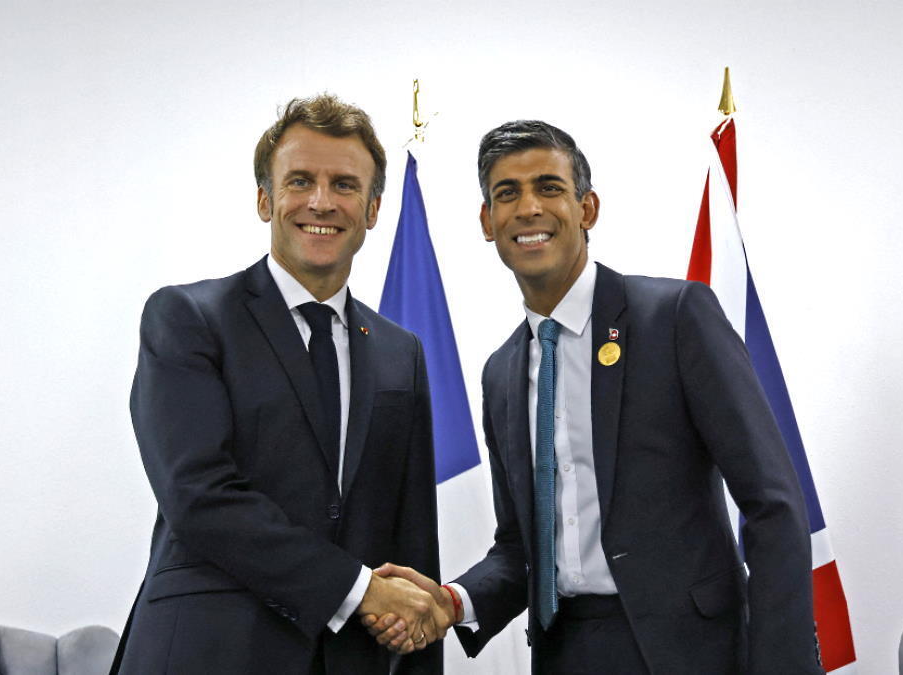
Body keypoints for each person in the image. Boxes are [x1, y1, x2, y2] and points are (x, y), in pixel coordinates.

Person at [365, 120, 823, 674]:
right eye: (507, 193)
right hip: (565, 653)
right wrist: (452, 602)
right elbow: (521, 550)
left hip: (690, 653)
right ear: (487, 221)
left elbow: (773, 505)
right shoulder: (500, 374)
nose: (529, 208)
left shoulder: (674, 318)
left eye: (549, 188)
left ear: (587, 208)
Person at [111, 94, 446, 675]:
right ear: (266, 199)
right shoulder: (188, 318)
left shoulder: (402, 352)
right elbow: (198, 495)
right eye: (300, 181)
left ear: (372, 209)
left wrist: (415, 639)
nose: (322, 202)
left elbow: (411, 543)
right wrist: (358, 590)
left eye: (345, 185)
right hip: (207, 653)